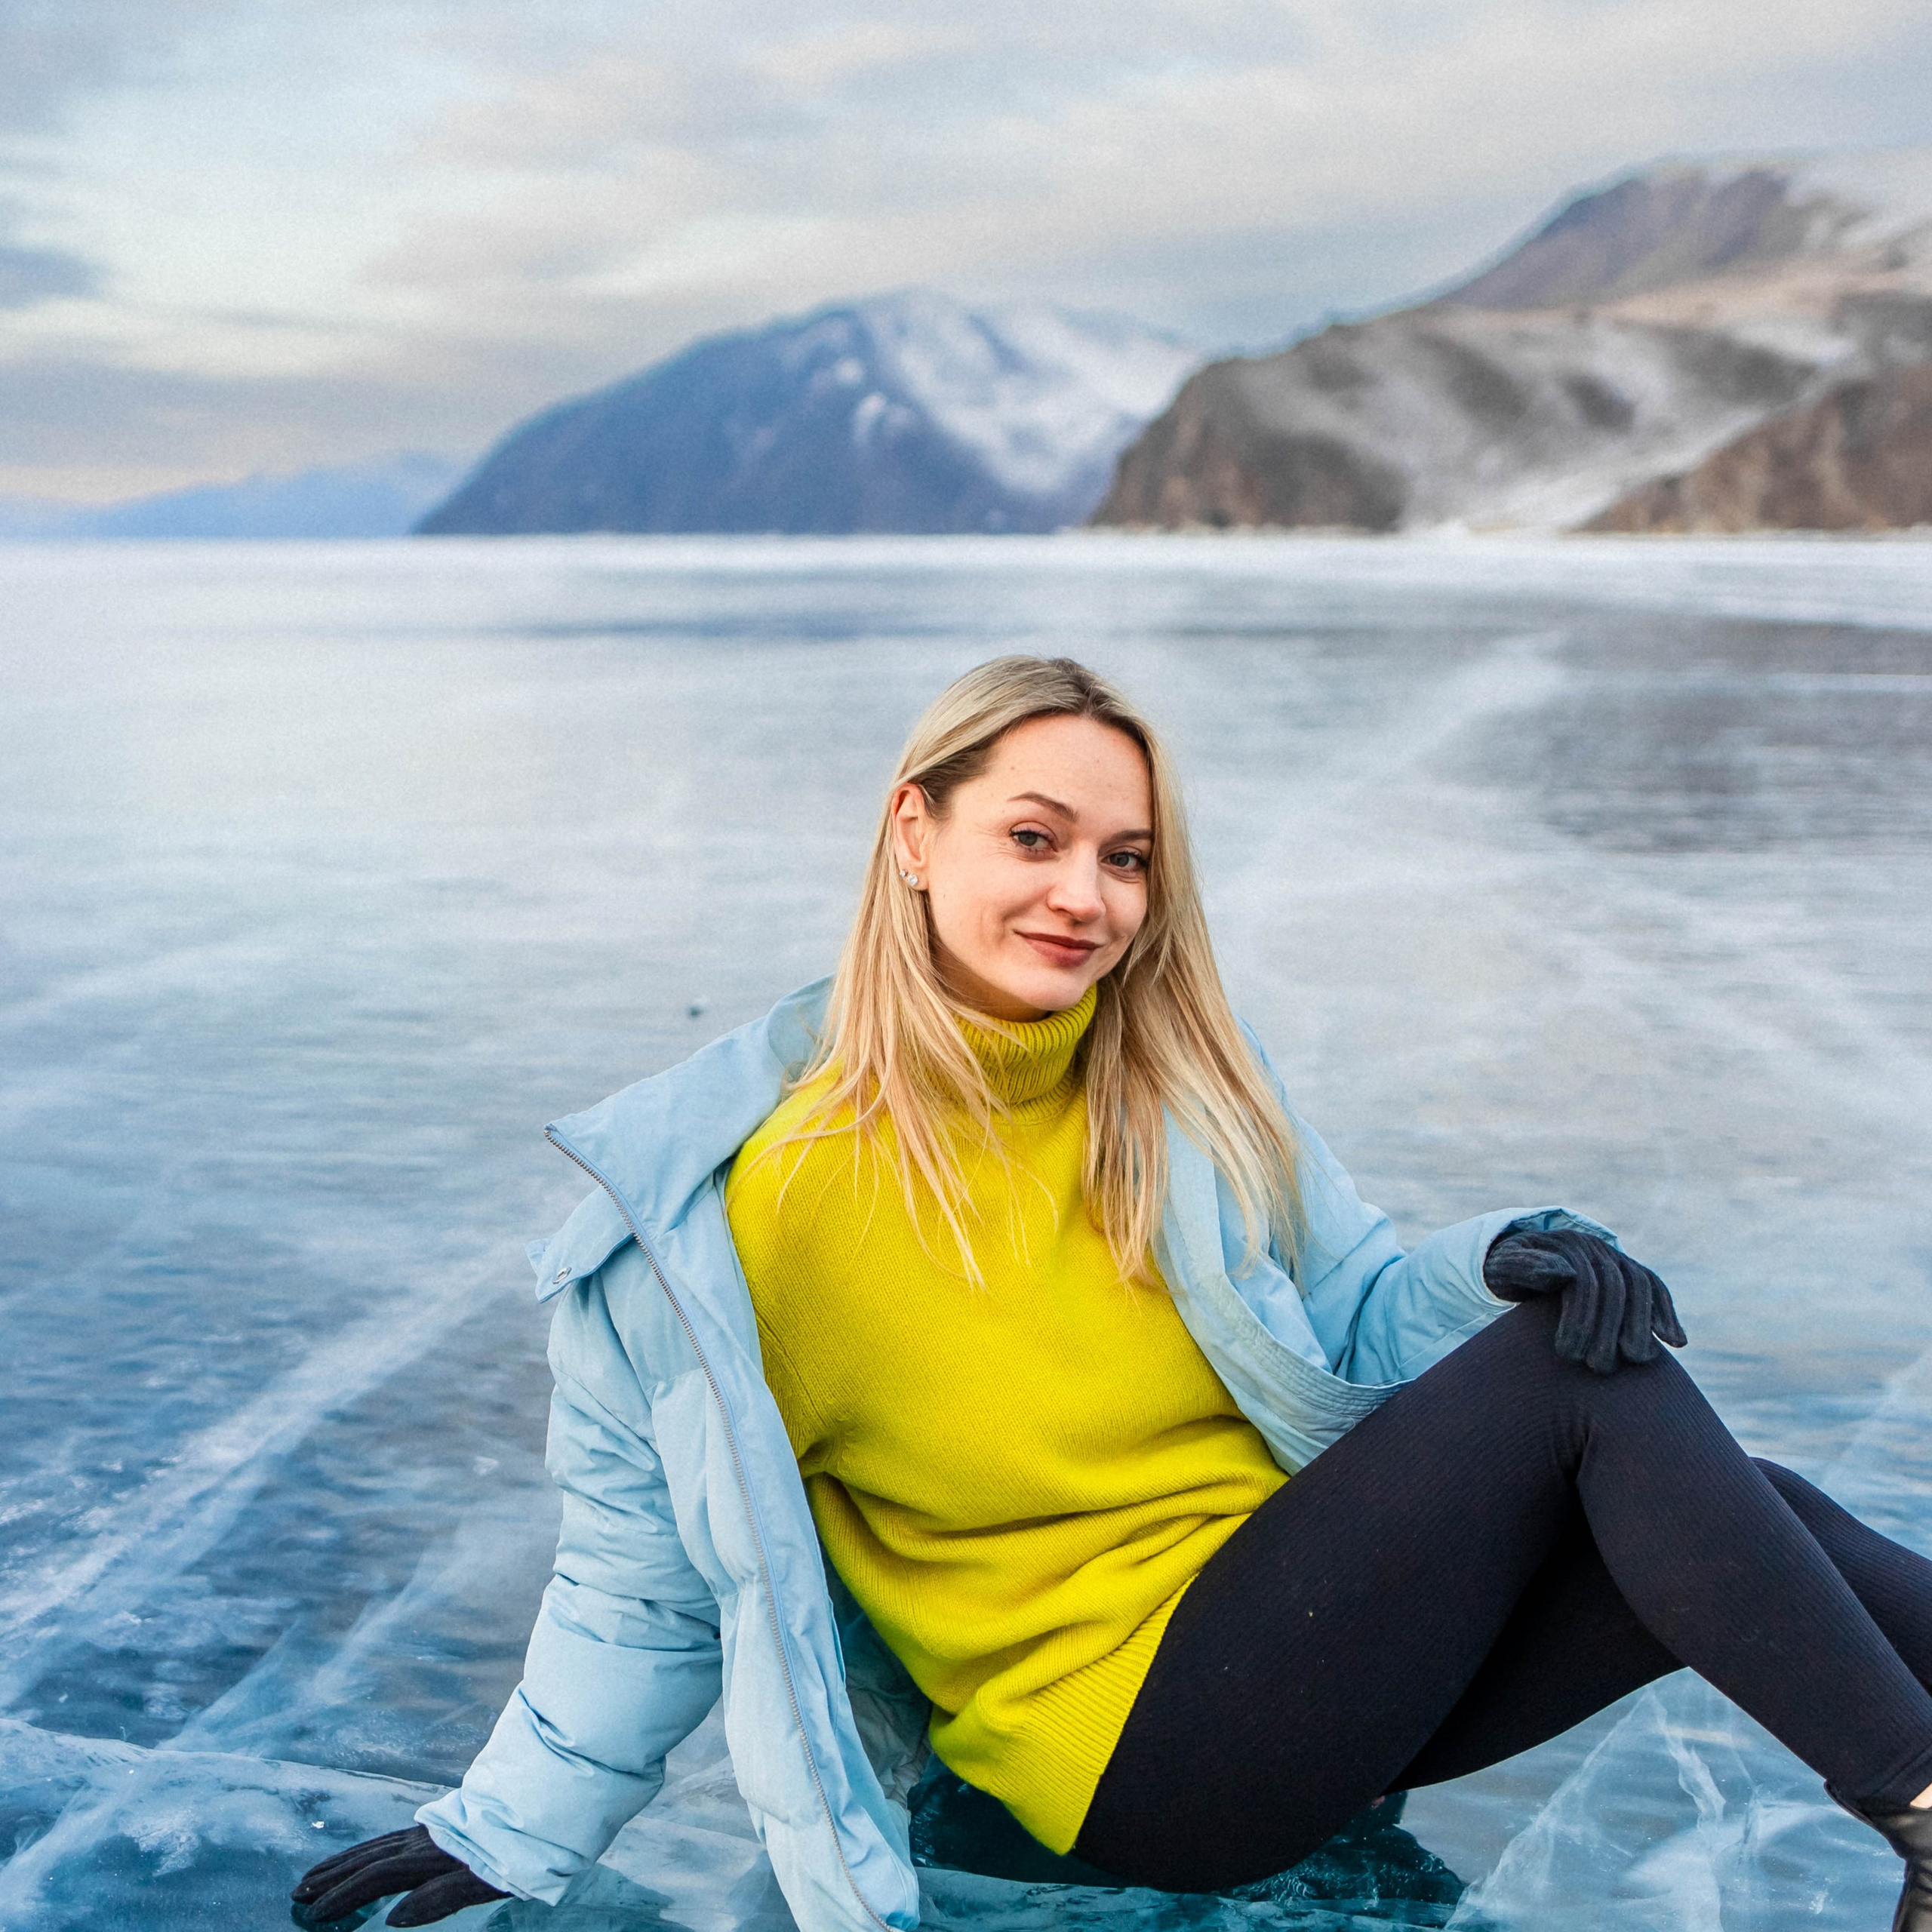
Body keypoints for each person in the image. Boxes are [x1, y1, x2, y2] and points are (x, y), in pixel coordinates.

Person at [294, 657, 1932, 1932]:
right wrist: (505, 1819)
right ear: (912, 830)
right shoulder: (755, 1208)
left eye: (1124, 856)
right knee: (1591, 1391)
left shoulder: (1167, 1093)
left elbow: (1353, 1302)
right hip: (1128, 1756)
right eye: (1033, 836)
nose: (1084, 893)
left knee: (1748, 1514)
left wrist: (1491, 1257)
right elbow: (642, 1571)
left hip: (1308, 1659)